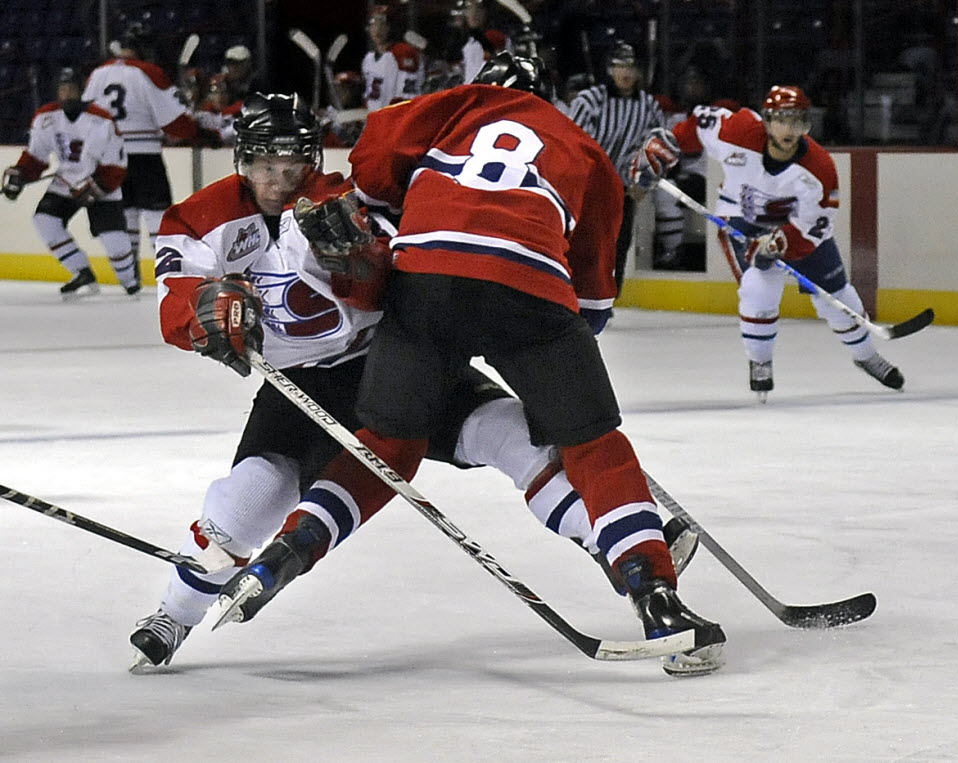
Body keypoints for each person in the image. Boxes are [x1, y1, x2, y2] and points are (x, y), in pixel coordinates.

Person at [129, 91, 698, 672]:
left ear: (312, 159)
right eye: (264, 165)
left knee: (511, 434)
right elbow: (176, 302)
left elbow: (395, 279)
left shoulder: (339, 200)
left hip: (389, 357)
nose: (279, 180)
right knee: (247, 502)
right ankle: (174, 615)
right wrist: (204, 311)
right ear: (241, 161)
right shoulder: (199, 219)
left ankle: (618, 546)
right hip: (303, 385)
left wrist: (362, 264)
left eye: (292, 164)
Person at [632, 85, 905, 399]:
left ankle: (866, 356)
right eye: (782, 120)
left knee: (838, 295)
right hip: (742, 218)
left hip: (797, 229)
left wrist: (779, 244)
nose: (789, 129)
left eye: (797, 121)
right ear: (766, 120)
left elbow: (813, 227)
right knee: (759, 288)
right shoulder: (738, 131)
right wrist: (663, 148)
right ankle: (760, 361)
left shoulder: (819, 168)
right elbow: (695, 126)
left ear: (806, 125)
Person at [1, 67, 139, 298]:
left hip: (100, 182)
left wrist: (96, 187)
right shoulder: (46, 117)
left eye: (72, 89)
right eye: (62, 89)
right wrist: (21, 174)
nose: (66, 94)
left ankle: (129, 280)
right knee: (45, 220)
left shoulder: (101, 120)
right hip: (66, 181)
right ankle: (82, 272)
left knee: (114, 240)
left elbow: (116, 165)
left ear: (82, 91)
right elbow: (36, 156)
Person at [82, 21, 201, 276]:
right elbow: (175, 122)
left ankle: (130, 273)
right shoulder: (148, 72)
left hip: (111, 157)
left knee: (128, 212)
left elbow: (86, 117)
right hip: (144, 156)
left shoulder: (98, 74)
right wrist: (197, 131)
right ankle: (167, 274)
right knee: (157, 213)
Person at [568, 42, 666, 293]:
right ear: (609, 69)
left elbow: (658, 148)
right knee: (581, 243)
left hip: (622, 190)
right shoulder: (589, 101)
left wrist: (645, 182)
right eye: (620, 66)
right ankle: (571, 295)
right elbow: (574, 145)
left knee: (617, 246)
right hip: (587, 188)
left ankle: (608, 298)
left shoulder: (649, 106)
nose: (626, 72)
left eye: (631, 67)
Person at [361, 5, 424, 113]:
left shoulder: (403, 52)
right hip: (376, 117)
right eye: (373, 24)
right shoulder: (368, 59)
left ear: (392, 27)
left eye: (382, 24)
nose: (377, 29)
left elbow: (406, 97)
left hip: (397, 117)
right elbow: (370, 98)